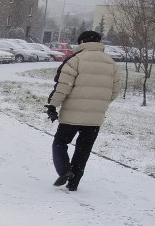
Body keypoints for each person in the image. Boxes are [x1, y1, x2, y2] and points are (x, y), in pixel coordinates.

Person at [45, 30, 121, 191]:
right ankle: (74, 183)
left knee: (60, 143)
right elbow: (115, 90)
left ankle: (65, 171)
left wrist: (52, 106)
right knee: (83, 150)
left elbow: (63, 87)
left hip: (72, 114)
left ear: (81, 42)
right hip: (95, 118)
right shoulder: (110, 63)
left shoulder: (75, 60)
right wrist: (100, 104)